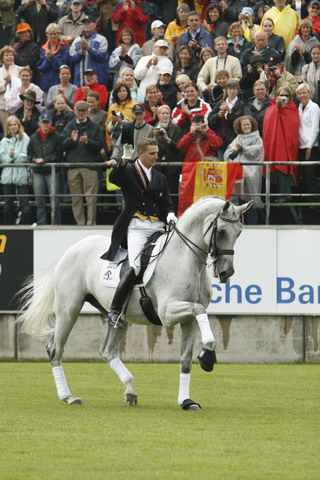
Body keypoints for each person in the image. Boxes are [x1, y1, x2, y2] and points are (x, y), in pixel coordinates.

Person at [101, 137, 176, 328]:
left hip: (158, 227)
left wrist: (170, 215)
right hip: (137, 227)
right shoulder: (128, 171)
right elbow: (113, 179)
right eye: (152, 154)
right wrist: (124, 159)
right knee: (134, 266)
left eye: (157, 153)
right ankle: (114, 311)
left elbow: (166, 203)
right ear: (140, 153)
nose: (156, 157)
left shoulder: (160, 177)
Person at [61, 100, 103, 225]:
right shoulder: (69, 126)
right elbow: (62, 144)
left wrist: (87, 142)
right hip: (73, 166)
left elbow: (100, 146)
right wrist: (71, 140)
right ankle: (80, 224)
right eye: (79, 110)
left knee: (91, 199)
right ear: (74, 111)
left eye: (83, 111)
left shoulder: (95, 126)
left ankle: (91, 223)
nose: (81, 113)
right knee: (76, 199)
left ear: (87, 111)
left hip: (90, 167)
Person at [176, 113, 223, 215]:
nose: (198, 127)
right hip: (190, 171)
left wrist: (208, 131)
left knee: (207, 197)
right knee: (188, 197)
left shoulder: (208, 134)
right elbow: (180, 146)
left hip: (207, 172)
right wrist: (190, 133)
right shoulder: (189, 136)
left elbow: (217, 144)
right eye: (195, 124)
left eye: (199, 125)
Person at [224, 115, 264, 224]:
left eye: (248, 124)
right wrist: (237, 150)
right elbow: (227, 154)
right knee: (240, 202)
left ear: (252, 125)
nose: (246, 126)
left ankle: (253, 224)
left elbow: (257, 152)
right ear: (240, 127)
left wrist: (244, 149)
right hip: (238, 175)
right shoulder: (237, 139)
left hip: (251, 173)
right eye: (244, 125)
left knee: (251, 202)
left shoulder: (257, 138)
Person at [263, 86, 299, 202]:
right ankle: (273, 196)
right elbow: (268, 127)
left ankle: (285, 195)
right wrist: (277, 108)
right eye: (281, 95)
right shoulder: (271, 109)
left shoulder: (293, 110)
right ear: (277, 96)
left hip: (287, 145)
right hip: (275, 144)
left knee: (284, 167)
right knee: (274, 167)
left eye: (286, 95)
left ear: (290, 97)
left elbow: (293, 128)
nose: (284, 98)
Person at [27, 112, 61, 225]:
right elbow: (29, 153)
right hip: (37, 171)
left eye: (47, 122)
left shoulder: (56, 136)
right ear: (39, 123)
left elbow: (59, 154)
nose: (45, 125)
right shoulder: (33, 137)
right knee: (40, 200)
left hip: (52, 171)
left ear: (51, 123)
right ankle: (41, 223)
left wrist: (45, 160)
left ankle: (56, 224)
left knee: (54, 200)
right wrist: (35, 160)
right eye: (43, 122)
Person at [0, 116, 31, 225]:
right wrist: (9, 157)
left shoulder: (25, 138)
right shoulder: (4, 141)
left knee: (24, 204)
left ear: (19, 125)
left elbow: (27, 156)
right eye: (11, 125)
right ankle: (8, 226)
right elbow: (2, 158)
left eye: (15, 124)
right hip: (7, 175)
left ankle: (25, 226)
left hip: (21, 174)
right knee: (8, 204)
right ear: (7, 127)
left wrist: (15, 155)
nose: (13, 127)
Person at [152, 104, 183, 210]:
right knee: (159, 191)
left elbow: (179, 147)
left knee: (172, 192)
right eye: (163, 113)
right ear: (158, 115)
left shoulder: (176, 128)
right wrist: (155, 137)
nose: (165, 116)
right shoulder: (154, 128)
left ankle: (172, 213)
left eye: (167, 113)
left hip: (172, 166)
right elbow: (151, 147)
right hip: (159, 165)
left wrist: (167, 139)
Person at [208, 79, 245, 159]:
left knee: (232, 165)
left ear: (238, 90)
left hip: (234, 140)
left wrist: (229, 111)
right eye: (230, 89)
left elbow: (238, 122)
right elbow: (210, 120)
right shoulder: (220, 103)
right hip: (220, 140)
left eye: (234, 89)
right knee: (222, 166)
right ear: (226, 90)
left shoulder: (241, 104)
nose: (232, 91)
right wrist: (218, 115)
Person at [296, 83, 320, 202]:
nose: (302, 95)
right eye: (300, 93)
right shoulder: (299, 107)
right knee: (304, 175)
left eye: (304, 92)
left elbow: (315, 129)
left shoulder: (314, 107)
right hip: (300, 146)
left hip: (311, 147)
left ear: (309, 93)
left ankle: (315, 202)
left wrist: (309, 147)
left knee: (310, 175)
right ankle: (308, 201)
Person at [69, 15, 109, 87]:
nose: (86, 24)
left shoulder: (101, 39)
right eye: (84, 23)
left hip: (97, 82)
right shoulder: (77, 40)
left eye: (89, 22)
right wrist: (81, 52)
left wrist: (88, 48)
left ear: (95, 25)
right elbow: (71, 58)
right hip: (79, 81)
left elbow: (102, 57)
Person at [37, 23, 70, 93]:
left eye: (55, 34)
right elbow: (41, 67)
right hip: (45, 83)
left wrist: (52, 57)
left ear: (58, 34)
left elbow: (63, 66)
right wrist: (48, 59)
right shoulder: (43, 49)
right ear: (47, 35)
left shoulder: (65, 47)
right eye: (50, 34)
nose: (53, 36)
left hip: (59, 82)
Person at [105, 82, 137, 152]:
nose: (122, 93)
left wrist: (121, 122)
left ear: (128, 92)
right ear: (115, 93)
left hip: (130, 139)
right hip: (115, 139)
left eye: (124, 91)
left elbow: (137, 125)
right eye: (119, 91)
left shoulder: (135, 105)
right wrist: (113, 122)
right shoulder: (112, 108)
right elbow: (108, 130)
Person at [0, 46, 21, 132]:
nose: (9, 57)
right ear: (2, 58)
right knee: (6, 131)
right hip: (2, 106)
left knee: (16, 130)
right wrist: (5, 83)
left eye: (11, 55)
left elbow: (22, 85)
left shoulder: (19, 69)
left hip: (16, 105)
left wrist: (12, 81)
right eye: (7, 55)